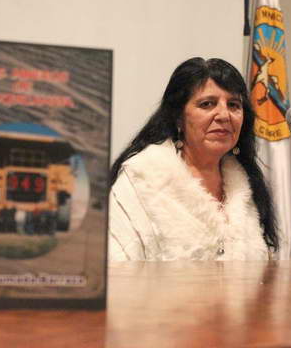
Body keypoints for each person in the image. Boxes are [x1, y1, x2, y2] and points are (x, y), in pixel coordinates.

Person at [109, 57, 278, 261]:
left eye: (233, 105)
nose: (224, 115)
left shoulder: (248, 187)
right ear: (178, 117)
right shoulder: (141, 179)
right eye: (207, 104)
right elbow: (116, 267)